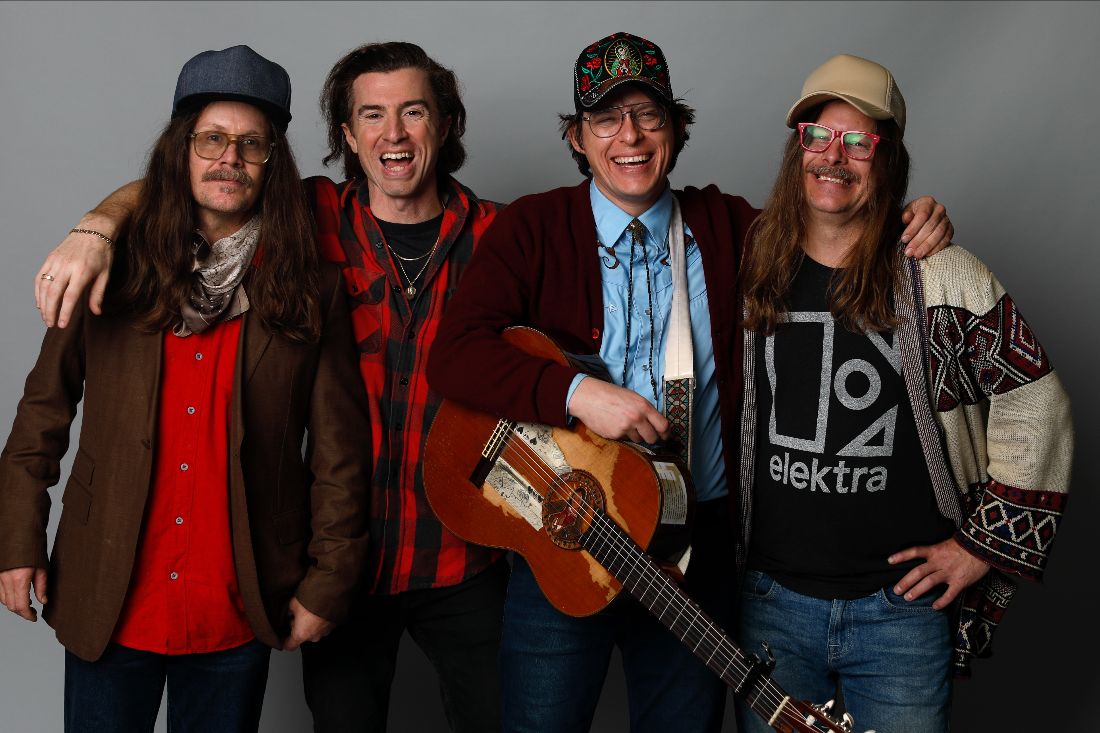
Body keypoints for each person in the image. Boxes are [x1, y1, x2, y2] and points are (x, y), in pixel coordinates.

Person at [426, 32, 951, 733]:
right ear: (577, 137)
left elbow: (837, 221)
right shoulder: (535, 227)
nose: (630, 136)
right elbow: (454, 355)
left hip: (693, 549)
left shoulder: (736, 229)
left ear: (675, 129)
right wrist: (579, 395)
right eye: (606, 119)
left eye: (649, 115)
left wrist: (911, 217)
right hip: (566, 534)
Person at [29, 41, 508, 733]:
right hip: (341, 571)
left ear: (446, 122)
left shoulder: (501, 238)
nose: (393, 134)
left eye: (413, 111)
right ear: (347, 135)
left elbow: (554, 359)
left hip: (460, 555)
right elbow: (195, 186)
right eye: (372, 114)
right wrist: (97, 227)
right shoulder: (311, 216)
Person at [0, 44, 371, 733]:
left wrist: (329, 581)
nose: (230, 158)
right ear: (182, 151)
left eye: (251, 144)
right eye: (211, 140)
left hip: (237, 603)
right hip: (108, 592)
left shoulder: (310, 287)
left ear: (272, 162)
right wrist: (17, 541)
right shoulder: (109, 267)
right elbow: (41, 415)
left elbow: (340, 456)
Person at [733, 54, 1073, 733]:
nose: (834, 156)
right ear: (797, 148)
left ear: (887, 159)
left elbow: (1038, 402)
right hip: (771, 602)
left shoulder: (941, 274)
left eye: (859, 141)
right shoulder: (749, 260)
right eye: (818, 136)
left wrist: (980, 546)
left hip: (899, 615)